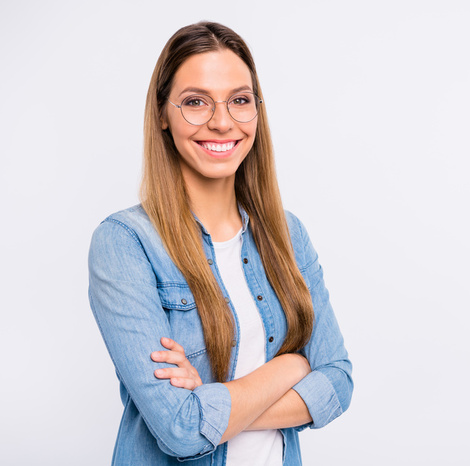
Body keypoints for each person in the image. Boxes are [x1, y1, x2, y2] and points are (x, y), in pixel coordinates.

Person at [88, 21, 353, 465]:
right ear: (162, 113)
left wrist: (211, 404)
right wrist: (291, 367)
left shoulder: (288, 236)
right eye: (195, 102)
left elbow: (338, 383)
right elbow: (181, 431)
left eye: (239, 101)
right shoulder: (125, 244)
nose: (221, 121)